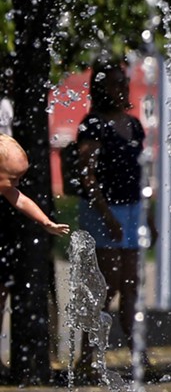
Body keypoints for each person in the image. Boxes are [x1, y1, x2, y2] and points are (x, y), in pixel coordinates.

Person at [71, 59, 146, 366]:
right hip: (103, 210)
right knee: (107, 285)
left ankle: (138, 356)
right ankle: (87, 356)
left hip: (132, 209)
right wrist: (107, 215)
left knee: (131, 285)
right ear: (101, 88)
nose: (121, 88)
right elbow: (87, 175)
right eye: (115, 83)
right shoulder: (92, 124)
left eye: (123, 82)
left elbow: (141, 174)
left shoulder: (134, 125)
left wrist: (148, 217)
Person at [0, 135, 70, 237]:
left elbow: (22, 202)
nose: (17, 184)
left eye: (19, 179)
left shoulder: (7, 189)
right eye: (13, 179)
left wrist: (45, 222)